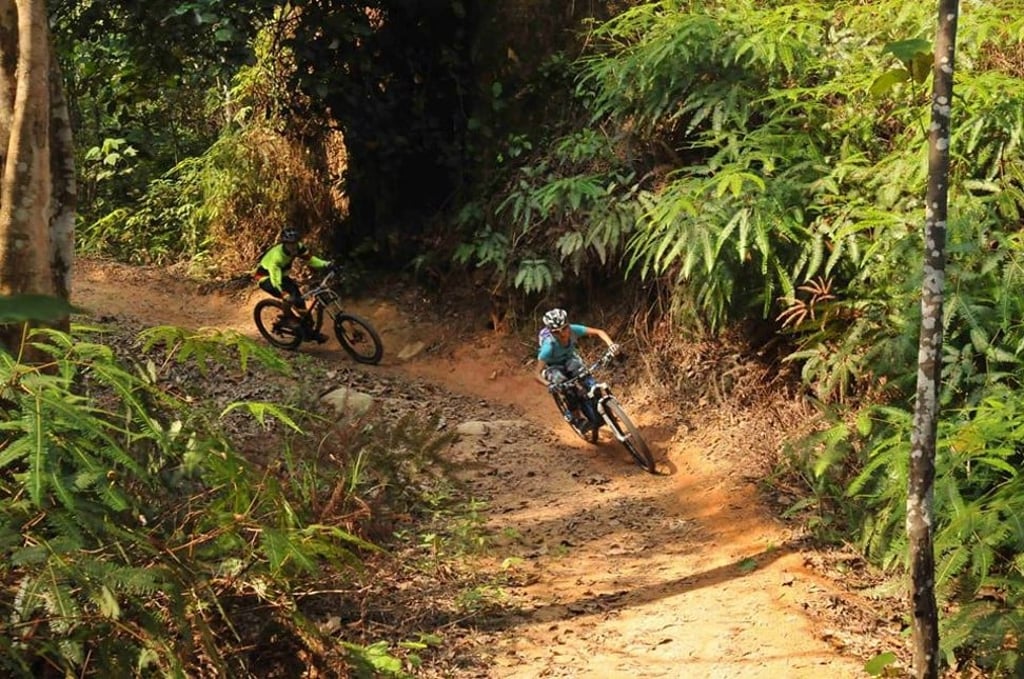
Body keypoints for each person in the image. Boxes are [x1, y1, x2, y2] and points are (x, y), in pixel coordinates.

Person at [536, 308, 620, 430]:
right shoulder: (548, 347)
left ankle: (605, 409)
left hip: (570, 359)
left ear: (568, 325)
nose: (562, 334)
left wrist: (611, 345)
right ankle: (577, 418)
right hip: (553, 366)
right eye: (556, 332)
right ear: (551, 333)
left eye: (564, 328)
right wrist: (549, 385)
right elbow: (536, 374)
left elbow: (599, 332)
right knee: (566, 388)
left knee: (586, 378)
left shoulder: (573, 330)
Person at [254, 227, 332, 343]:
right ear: (284, 244)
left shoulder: (299, 248)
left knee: (300, 301)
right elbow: (275, 279)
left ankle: (308, 332)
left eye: (295, 243)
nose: (293, 247)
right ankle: (287, 319)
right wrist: (283, 293)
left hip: (282, 276)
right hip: (266, 278)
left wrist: (326, 264)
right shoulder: (277, 257)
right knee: (289, 297)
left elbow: (310, 259)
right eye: (290, 244)